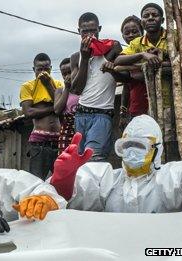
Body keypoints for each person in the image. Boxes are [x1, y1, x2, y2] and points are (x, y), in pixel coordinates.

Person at [50, 115, 182, 212]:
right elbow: (75, 196)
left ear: (157, 150)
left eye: (139, 145)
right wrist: (65, 178)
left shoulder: (171, 177)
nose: (131, 152)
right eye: (126, 145)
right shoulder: (106, 180)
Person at [114, 3, 177, 161]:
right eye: (146, 16)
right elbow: (119, 61)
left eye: (154, 15)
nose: (150, 18)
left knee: (170, 140)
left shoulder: (172, 36)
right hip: (146, 103)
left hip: (171, 100)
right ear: (142, 21)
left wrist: (163, 55)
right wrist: (143, 55)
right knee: (148, 142)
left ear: (162, 19)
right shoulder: (137, 43)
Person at [70, 12, 123, 162]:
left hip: (102, 114)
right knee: (80, 160)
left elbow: (118, 49)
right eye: (84, 31)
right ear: (78, 31)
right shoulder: (76, 57)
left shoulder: (110, 49)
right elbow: (76, 90)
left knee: (94, 159)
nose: (89, 35)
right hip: (80, 115)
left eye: (93, 30)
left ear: (99, 29)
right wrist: (85, 59)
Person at [20, 53, 64, 180]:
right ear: (34, 69)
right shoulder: (28, 86)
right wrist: (53, 109)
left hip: (58, 141)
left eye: (46, 68)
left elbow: (61, 110)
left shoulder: (57, 85)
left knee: (60, 180)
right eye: (40, 69)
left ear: (51, 68)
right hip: (40, 142)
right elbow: (28, 112)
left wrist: (47, 85)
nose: (43, 72)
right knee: (36, 181)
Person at [118, 16, 148, 130]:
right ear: (123, 36)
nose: (131, 35)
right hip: (135, 110)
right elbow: (126, 87)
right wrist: (123, 114)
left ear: (142, 32)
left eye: (135, 32)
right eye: (127, 33)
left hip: (153, 107)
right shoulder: (125, 56)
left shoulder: (149, 51)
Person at [54, 58, 79, 153]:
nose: (67, 76)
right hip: (67, 131)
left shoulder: (83, 89)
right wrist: (67, 88)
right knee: (66, 161)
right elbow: (57, 110)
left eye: (70, 72)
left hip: (83, 128)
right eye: (64, 74)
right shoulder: (60, 91)